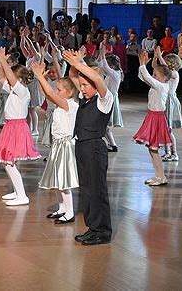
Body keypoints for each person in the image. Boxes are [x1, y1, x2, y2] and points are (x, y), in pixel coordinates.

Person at [63, 49, 114, 246]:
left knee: (97, 191)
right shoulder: (87, 98)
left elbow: (97, 80)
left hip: (94, 149)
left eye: (85, 85)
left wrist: (80, 63)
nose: (81, 88)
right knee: (87, 191)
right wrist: (76, 63)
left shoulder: (104, 99)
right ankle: (93, 227)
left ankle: (102, 231)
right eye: (81, 85)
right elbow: (73, 75)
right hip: (83, 148)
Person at [32, 62, 79, 224]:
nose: (56, 92)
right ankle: (62, 208)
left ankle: (70, 211)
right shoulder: (62, 102)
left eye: (60, 90)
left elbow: (50, 93)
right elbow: (46, 93)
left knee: (63, 180)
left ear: (70, 92)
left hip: (65, 146)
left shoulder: (69, 105)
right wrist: (41, 80)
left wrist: (39, 76)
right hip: (58, 145)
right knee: (56, 179)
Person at [0, 47, 41, 206]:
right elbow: (1, 77)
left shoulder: (22, 90)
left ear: (19, 79)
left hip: (17, 127)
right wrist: (1, 62)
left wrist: (2, 60)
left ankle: (22, 195)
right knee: (6, 161)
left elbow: (8, 77)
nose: (9, 79)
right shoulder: (14, 89)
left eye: (12, 77)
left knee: (9, 162)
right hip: (11, 126)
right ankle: (17, 191)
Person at [133, 50, 172, 186]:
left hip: (157, 119)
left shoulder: (162, 86)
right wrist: (141, 65)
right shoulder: (158, 84)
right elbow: (143, 77)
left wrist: (143, 65)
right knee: (151, 148)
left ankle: (162, 177)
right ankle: (158, 176)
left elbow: (147, 77)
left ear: (164, 78)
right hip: (152, 116)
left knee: (154, 149)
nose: (153, 76)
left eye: (156, 75)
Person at [153, 48, 182, 162]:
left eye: (166, 61)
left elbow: (166, 69)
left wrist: (160, 57)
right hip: (164, 100)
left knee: (168, 129)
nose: (164, 63)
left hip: (170, 101)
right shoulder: (167, 73)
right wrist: (156, 57)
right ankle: (167, 152)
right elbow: (157, 68)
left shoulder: (174, 74)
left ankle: (174, 153)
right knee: (164, 129)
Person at [98, 46, 124, 152]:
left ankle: (112, 145)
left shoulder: (115, 74)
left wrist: (103, 54)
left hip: (110, 100)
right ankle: (112, 145)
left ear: (112, 65)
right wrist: (101, 55)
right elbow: (101, 67)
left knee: (104, 124)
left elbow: (104, 66)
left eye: (109, 65)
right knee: (104, 124)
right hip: (106, 99)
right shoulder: (111, 73)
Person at [20, 27, 43, 136]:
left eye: (31, 49)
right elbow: (22, 46)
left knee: (32, 109)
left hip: (33, 83)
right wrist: (22, 36)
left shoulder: (37, 57)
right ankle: (29, 128)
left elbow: (31, 48)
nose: (28, 50)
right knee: (28, 109)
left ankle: (35, 129)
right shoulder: (28, 58)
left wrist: (27, 37)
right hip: (27, 83)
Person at [0, 52, 19, 128]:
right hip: (1, 96)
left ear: (14, 63)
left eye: (8, 62)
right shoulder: (2, 70)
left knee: (5, 120)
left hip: (8, 97)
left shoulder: (14, 73)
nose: (6, 64)